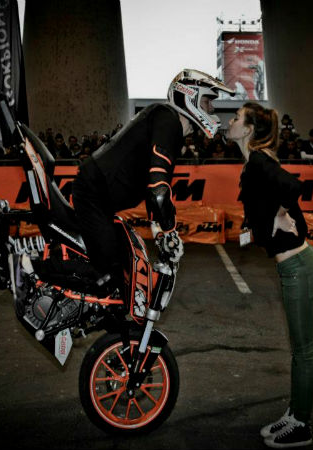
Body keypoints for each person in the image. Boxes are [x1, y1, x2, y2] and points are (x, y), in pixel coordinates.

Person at [70, 68, 234, 294]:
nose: (212, 108)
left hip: (98, 197)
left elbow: (153, 188)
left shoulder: (167, 123)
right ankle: (40, 274)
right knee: (110, 274)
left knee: (123, 271)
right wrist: (169, 231)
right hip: (94, 195)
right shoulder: (168, 121)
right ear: (191, 98)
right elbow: (158, 190)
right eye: (207, 101)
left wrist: (161, 232)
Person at [228, 102, 313, 448]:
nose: (230, 121)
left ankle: (302, 425)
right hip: (292, 267)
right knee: (299, 350)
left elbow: (292, 187)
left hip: (298, 267)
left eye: (236, 118)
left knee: (304, 351)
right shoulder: (254, 162)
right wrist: (267, 218)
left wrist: (281, 213)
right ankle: (294, 413)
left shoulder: (259, 161)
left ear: (249, 129)